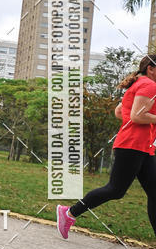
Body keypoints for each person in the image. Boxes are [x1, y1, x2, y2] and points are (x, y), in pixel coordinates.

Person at [57, 54, 156, 239]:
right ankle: (69, 212)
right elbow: (136, 116)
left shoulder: (137, 84)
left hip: (143, 146)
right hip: (132, 145)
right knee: (115, 190)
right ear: (150, 68)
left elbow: (121, 111)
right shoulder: (150, 85)